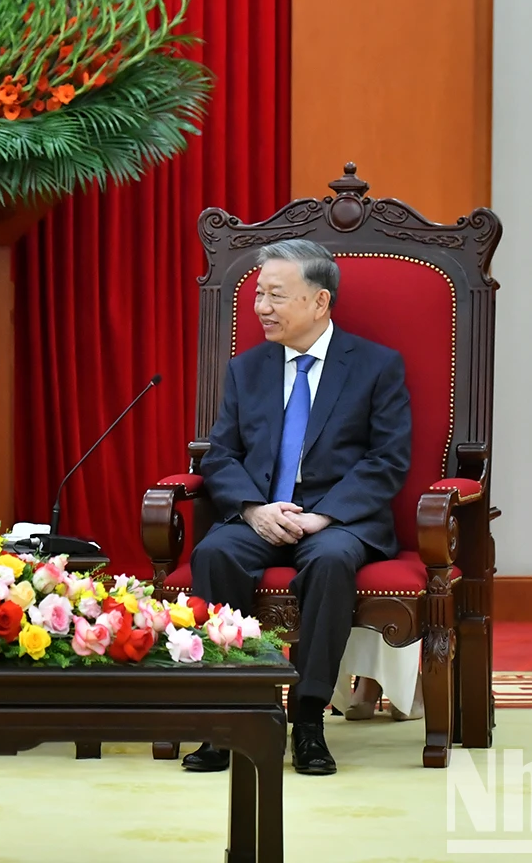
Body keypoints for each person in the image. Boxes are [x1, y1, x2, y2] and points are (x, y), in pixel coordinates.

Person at [183, 239, 411, 776]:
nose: (261, 306)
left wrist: (323, 515)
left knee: (330, 561)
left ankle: (308, 718)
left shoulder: (376, 366)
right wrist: (254, 510)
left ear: (319, 302)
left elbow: (388, 459)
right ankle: (228, 714)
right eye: (258, 294)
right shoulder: (248, 368)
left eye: (275, 295)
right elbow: (221, 454)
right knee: (216, 553)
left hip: (338, 517)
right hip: (262, 511)